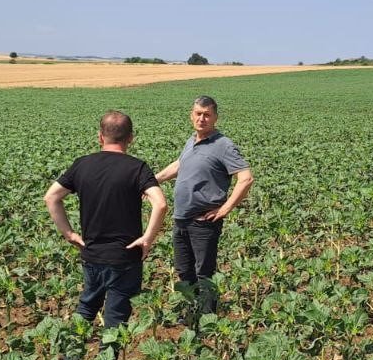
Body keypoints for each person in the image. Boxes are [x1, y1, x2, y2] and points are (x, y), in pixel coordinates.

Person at [44, 110, 168, 331]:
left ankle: (70, 357)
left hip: (92, 253)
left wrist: (69, 234)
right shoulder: (137, 168)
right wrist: (147, 239)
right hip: (125, 256)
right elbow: (160, 204)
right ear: (131, 138)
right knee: (116, 319)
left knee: (86, 307)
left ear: (100, 137)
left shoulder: (82, 164)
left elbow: (51, 197)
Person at [155, 95, 253, 324]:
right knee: (183, 269)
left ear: (215, 117)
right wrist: (154, 180)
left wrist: (226, 207)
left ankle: (207, 318)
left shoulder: (223, 145)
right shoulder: (192, 141)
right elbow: (180, 164)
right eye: (198, 113)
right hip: (181, 218)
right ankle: (190, 310)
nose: (202, 118)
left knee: (203, 272)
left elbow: (246, 179)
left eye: (207, 114)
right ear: (192, 115)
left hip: (203, 221)